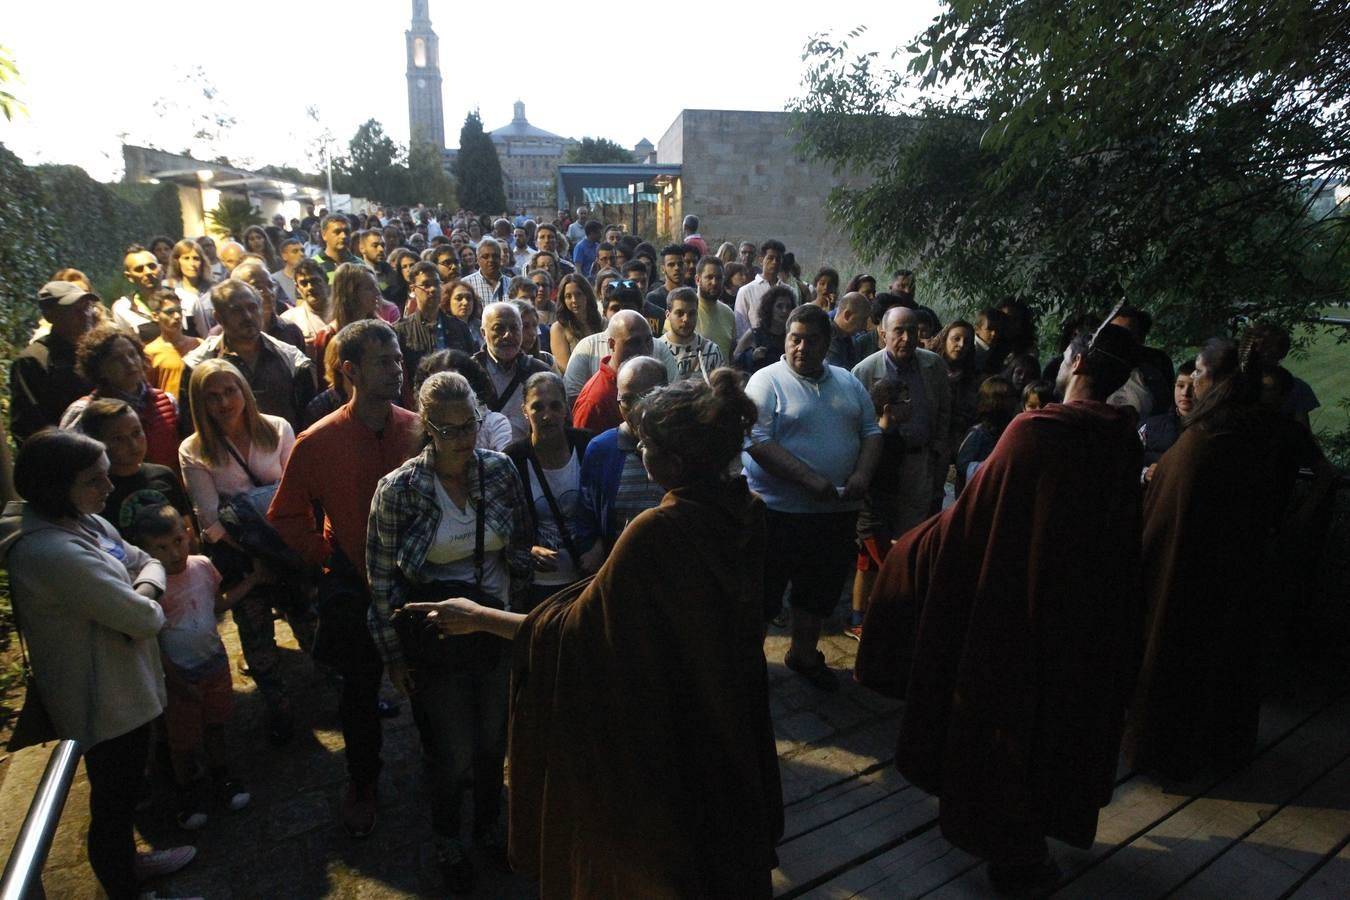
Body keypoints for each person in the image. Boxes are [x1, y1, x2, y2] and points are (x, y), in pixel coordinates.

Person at [401, 367, 783, 896]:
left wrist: (478, 616)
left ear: (671, 462)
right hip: (725, 705)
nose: (638, 452)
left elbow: (573, 634)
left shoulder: (656, 530)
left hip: (669, 726)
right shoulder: (746, 511)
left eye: (645, 443)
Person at [855, 319, 1143, 895]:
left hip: (1013, 607)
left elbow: (969, 522)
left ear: (1078, 365)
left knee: (1003, 725)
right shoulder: (1121, 439)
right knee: (1053, 726)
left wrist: (907, 554)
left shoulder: (1035, 432)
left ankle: (1014, 854)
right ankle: (1035, 833)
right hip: (1081, 615)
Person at [0, 429, 197, 898]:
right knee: (114, 801)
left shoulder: (82, 521)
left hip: (125, 684)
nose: (109, 489)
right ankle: (125, 886)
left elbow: (143, 559)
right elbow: (143, 615)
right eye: (95, 480)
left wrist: (142, 583)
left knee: (124, 793)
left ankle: (131, 864)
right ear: (56, 486)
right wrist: (146, 591)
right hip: (103, 702)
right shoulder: (50, 552)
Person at [366, 371, 533, 892]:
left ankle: (487, 828)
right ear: (428, 428)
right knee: (453, 750)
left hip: (494, 629)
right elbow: (380, 581)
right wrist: (394, 658)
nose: (464, 439)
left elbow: (520, 539)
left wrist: (528, 562)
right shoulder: (400, 491)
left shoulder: (499, 471)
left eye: (471, 425)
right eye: (451, 429)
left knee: (492, 741)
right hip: (437, 642)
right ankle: (447, 836)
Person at [269, 320, 421, 839]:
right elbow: (287, 514)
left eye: (398, 359)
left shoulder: (415, 428)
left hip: (414, 582)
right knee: (358, 693)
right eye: (384, 361)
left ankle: (442, 764)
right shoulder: (319, 440)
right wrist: (325, 554)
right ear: (350, 370)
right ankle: (363, 780)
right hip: (354, 582)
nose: (396, 369)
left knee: (425, 678)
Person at [1123, 336, 1286, 780]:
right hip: (1232, 569)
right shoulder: (1256, 429)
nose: (1192, 381)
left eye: (1197, 371)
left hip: (1189, 573)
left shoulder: (1207, 438)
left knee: (1183, 655)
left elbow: (1170, 514)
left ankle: (1167, 752)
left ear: (1216, 378)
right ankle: (1218, 744)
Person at [744, 304, 882, 690]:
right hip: (778, 512)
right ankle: (749, 664)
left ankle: (804, 655)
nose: (801, 347)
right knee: (764, 594)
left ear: (828, 344)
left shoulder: (847, 381)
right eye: (795, 338)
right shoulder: (765, 381)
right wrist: (807, 479)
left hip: (835, 511)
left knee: (818, 590)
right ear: (785, 340)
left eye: (811, 340)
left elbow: (872, 432)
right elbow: (756, 440)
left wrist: (862, 474)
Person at [178, 358, 310, 745]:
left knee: (309, 621)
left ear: (244, 391)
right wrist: (254, 560)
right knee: (257, 637)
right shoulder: (195, 449)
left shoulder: (277, 428)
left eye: (230, 390)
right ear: (200, 403)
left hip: (284, 547)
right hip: (240, 556)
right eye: (212, 396)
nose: (223, 402)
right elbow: (210, 522)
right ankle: (279, 710)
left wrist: (279, 548)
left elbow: (297, 490)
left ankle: (336, 689)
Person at [128, 504, 252, 831]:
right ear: (145, 552)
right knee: (181, 740)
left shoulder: (202, 566)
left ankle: (221, 777)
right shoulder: (147, 587)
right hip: (178, 676)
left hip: (214, 664)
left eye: (178, 541)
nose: (174, 553)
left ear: (187, 534)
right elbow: (151, 639)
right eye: (161, 548)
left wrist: (253, 581)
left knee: (215, 724)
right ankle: (187, 792)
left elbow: (217, 603)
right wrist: (172, 678)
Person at [851, 305, 953, 532]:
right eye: (899, 331)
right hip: (879, 467)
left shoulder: (933, 365)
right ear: (883, 333)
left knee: (913, 533)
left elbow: (945, 410)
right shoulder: (864, 371)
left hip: (919, 462)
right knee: (876, 534)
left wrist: (938, 451)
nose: (906, 338)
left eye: (912, 331)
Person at [505, 372, 596, 608]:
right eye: (537, 407)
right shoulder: (513, 459)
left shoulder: (588, 446)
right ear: (524, 411)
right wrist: (528, 550)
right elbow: (504, 525)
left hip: (588, 577)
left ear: (566, 408)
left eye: (555, 406)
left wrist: (599, 547)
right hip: (539, 585)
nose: (547, 415)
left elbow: (604, 508)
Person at [181, 280, 318, 432]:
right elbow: (190, 426)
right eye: (236, 311)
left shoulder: (292, 360)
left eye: (252, 308)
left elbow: (308, 422)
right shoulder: (198, 365)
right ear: (219, 318)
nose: (247, 316)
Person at [577, 357, 668, 568]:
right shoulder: (602, 449)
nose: (637, 408)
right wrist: (593, 548)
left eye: (647, 397)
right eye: (628, 399)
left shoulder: (683, 443)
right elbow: (586, 514)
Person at [61, 324, 182, 472]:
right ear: (99, 368)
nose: (130, 363)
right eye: (117, 359)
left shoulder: (167, 401)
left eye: (132, 354)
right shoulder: (83, 412)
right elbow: (68, 464)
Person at [77, 398, 191, 537]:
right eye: (119, 439)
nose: (134, 445)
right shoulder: (100, 492)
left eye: (136, 433)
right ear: (98, 442)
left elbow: (187, 530)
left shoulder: (163, 474)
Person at [10, 281, 97, 442]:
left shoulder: (99, 349)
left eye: (87, 307)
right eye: (75, 310)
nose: (85, 314)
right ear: (49, 315)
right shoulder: (34, 360)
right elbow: (28, 424)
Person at [393, 262, 474, 404]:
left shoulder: (459, 327)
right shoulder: (401, 331)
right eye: (426, 284)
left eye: (437, 283)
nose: (433, 289)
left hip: (457, 400)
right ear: (413, 289)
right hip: (419, 404)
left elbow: (471, 368)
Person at [473, 301, 552, 443]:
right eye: (499, 328)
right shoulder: (468, 372)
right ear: (483, 333)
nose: (508, 335)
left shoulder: (539, 372)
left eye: (514, 328)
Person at [573, 310, 655, 433]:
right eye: (634, 342)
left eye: (648, 341)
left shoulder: (651, 379)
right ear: (612, 344)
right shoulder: (594, 401)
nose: (644, 349)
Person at [953, 375, 1018, 495]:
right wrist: (990, 469)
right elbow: (963, 465)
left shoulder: (1009, 431)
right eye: (1006, 400)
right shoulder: (978, 433)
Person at [1139, 361, 1196, 472]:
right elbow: (1125, 461)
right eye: (1180, 386)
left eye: (1193, 387)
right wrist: (1145, 474)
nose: (1185, 393)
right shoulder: (1149, 426)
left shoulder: (1215, 428)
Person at [142, 289, 200, 399]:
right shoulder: (149, 353)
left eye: (179, 310)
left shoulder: (199, 344)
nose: (177, 316)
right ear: (155, 316)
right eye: (170, 312)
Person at [658, 287, 724, 381]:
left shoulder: (711, 351)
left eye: (691, 314)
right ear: (668, 315)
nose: (686, 319)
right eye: (680, 313)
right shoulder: (658, 350)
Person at [550, 273, 604, 376]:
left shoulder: (602, 322)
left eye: (578, 294)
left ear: (587, 295)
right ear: (563, 300)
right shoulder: (558, 328)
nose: (574, 300)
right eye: (568, 296)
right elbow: (565, 368)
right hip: (576, 384)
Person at [733, 285, 795, 373]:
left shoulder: (793, 335)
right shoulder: (754, 334)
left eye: (788, 306)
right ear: (769, 308)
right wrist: (752, 356)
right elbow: (735, 360)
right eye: (779, 306)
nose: (784, 310)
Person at [734, 239, 791, 330]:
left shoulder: (789, 291)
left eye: (778, 259)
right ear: (761, 260)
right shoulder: (746, 291)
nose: (774, 262)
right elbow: (740, 326)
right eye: (770, 258)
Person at [280, 257, 332, 358]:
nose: (310, 287)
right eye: (304, 283)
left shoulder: (343, 311)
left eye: (315, 281)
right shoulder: (289, 320)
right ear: (297, 288)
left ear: (326, 280)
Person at [112, 244, 163, 343]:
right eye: (139, 269)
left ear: (161, 268)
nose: (147, 272)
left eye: (152, 266)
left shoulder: (186, 299)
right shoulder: (123, 309)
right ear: (129, 277)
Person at [167, 239, 217, 337]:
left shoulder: (215, 290)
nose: (192, 264)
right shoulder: (169, 289)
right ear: (177, 261)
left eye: (196, 258)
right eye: (186, 258)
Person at [694, 256, 738, 360]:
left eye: (719, 278)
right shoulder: (685, 312)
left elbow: (730, 355)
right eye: (709, 277)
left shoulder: (728, 313)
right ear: (697, 279)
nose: (714, 283)